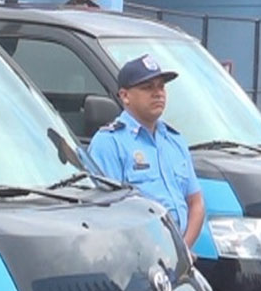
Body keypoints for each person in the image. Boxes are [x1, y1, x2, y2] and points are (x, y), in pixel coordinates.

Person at [88, 54, 205, 247]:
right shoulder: (109, 143)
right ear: (125, 96)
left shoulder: (174, 141)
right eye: (147, 87)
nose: (158, 93)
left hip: (181, 256)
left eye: (161, 86)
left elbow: (196, 202)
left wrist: (184, 249)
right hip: (137, 259)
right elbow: (106, 215)